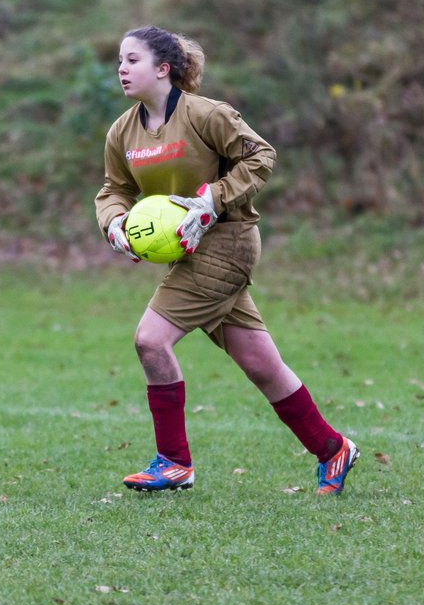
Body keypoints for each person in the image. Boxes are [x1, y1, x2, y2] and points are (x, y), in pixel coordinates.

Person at [94, 25, 359, 495]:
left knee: (151, 341)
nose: (121, 68)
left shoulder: (205, 115)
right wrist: (114, 222)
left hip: (227, 242)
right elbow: (113, 190)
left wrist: (213, 200)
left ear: (163, 68)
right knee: (261, 364)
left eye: (132, 60)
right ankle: (332, 449)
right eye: (119, 60)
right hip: (189, 253)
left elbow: (260, 156)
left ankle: (174, 462)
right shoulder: (123, 130)